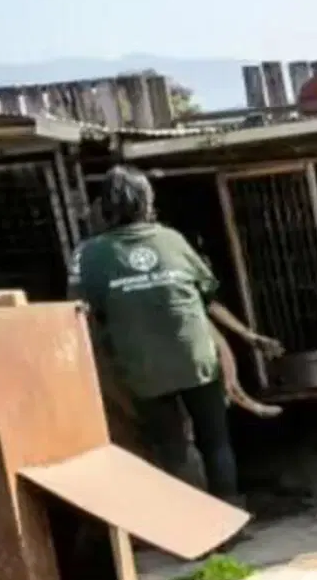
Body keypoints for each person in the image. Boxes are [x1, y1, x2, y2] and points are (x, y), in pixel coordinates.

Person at [69, 164, 281, 506]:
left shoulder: (87, 254)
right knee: (216, 442)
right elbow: (207, 298)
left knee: (172, 449)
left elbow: (79, 313)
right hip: (196, 359)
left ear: (104, 207)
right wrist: (248, 335)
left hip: (143, 370)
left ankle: (193, 519)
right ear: (148, 201)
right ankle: (231, 516)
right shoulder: (172, 240)